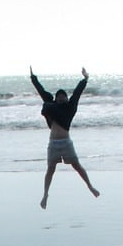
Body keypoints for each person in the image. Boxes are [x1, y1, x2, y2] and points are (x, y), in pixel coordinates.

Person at [30, 66, 100, 209]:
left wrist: (85, 78)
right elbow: (41, 91)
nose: (61, 99)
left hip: (66, 142)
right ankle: (45, 194)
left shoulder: (69, 107)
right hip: (53, 143)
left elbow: (77, 93)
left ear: (66, 99)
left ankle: (90, 186)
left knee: (77, 166)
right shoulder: (51, 106)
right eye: (59, 98)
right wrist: (33, 77)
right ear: (56, 99)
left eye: (64, 97)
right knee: (50, 169)